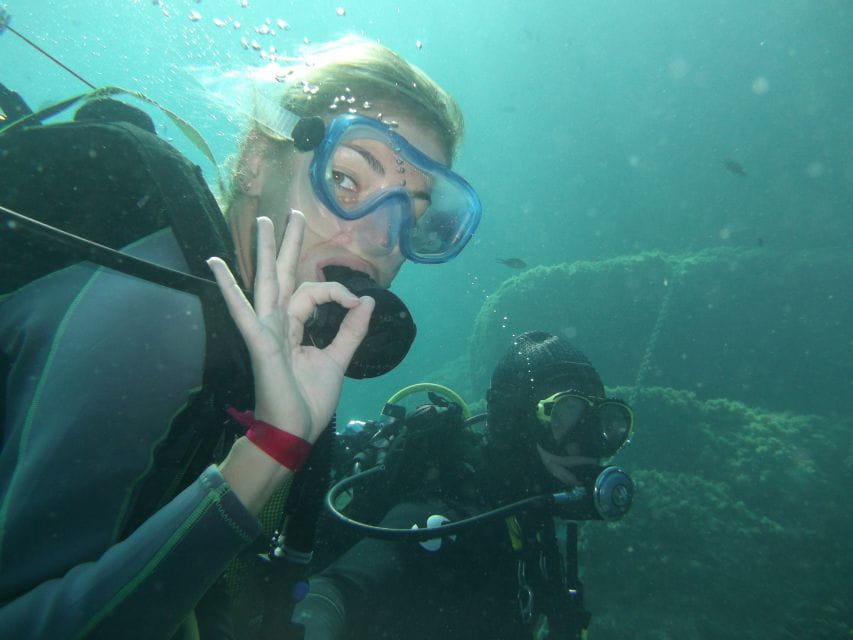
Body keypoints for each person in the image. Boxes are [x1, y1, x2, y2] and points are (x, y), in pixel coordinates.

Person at [0, 35, 479, 638]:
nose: (382, 241)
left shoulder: (279, 346)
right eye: (348, 180)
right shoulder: (161, 319)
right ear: (256, 158)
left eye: (410, 214)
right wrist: (271, 450)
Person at [294, 331, 635, 639]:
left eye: (604, 422)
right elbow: (333, 592)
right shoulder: (451, 513)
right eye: (564, 415)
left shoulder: (531, 513)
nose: (587, 443)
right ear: (517, 424)